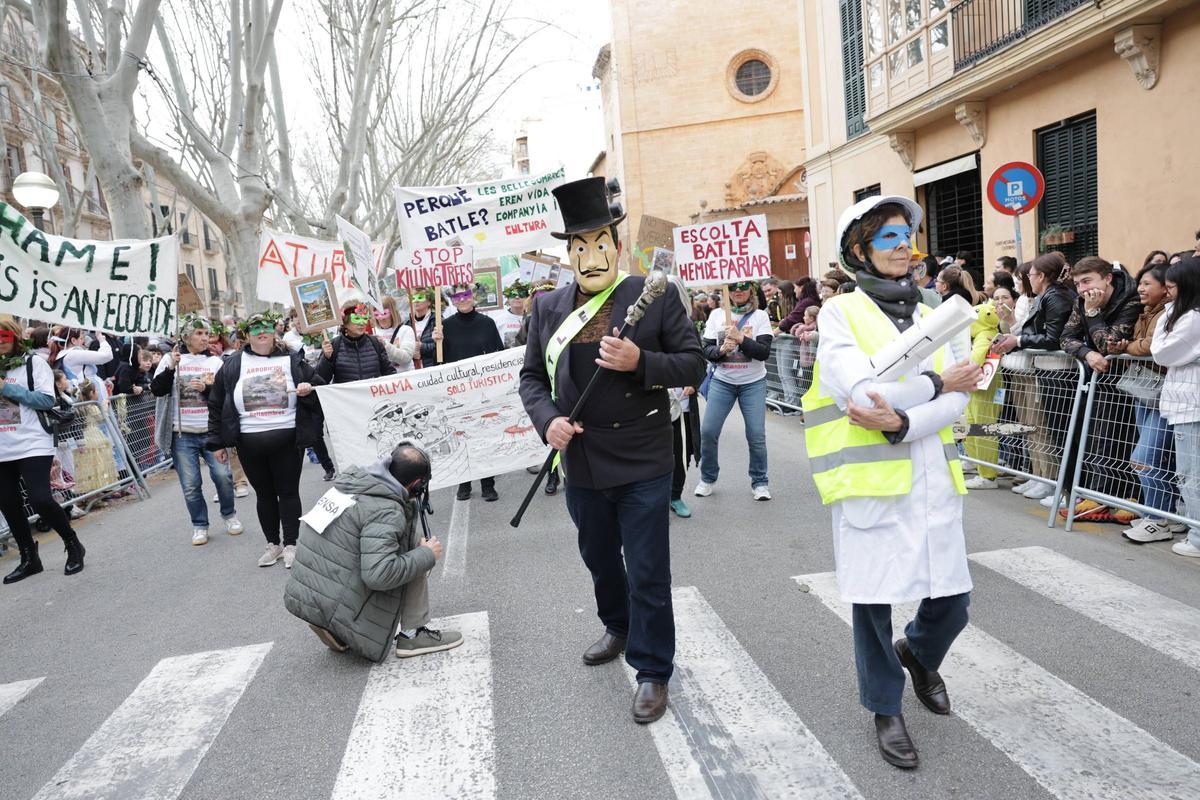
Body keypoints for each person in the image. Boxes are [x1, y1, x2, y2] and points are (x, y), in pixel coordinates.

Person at [802, 194, 982, 770]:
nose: (904, 245)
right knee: (872, 601)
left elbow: (961, 396)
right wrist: (931, 385)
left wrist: (904, 419)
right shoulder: (839, 313)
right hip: (872, 486)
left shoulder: (941, 310)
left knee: (953, 599)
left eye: (907, 235)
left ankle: (921, 655)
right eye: (888, 237)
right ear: (859, 250)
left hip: (932, 479)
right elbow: (859, 394)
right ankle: (886, 708)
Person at [519, 176, 706, 724]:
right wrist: (548, 421)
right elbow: (531, 378)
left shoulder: (654, 293)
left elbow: (694, 362)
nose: (590, 254)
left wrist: (641, 363)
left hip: (644, 457)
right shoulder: (547, 306)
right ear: (568, 253)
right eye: (578, 246)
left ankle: (653, 670)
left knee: (647, 567)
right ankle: (618, 626)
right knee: (599, 557)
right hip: (580, 462)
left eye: (599, 242)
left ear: (616, 245)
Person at [283, 442, 463, 660]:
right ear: (416, 484)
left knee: (389, 547)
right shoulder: (386, 510)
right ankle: (412, 633)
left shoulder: (353, 482)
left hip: (308, 591)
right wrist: (426, 555)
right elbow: (378, 575)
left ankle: (336, 625)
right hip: (331, 597)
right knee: (416, 547)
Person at [206, 311, 325, 569]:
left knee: (288, 492)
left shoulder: (292, 359)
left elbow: (320, 387)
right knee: (265, 495)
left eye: (267, 326)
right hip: (248, 443)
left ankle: (291, 544)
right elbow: (216, 404)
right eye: (256, 327)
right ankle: (273, 544)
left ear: (274, 330)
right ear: (247, 334)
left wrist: (307, 390)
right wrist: (216, 443)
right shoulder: (232, 364)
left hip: (287, 439)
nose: (262, 331)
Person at [1, 320, 86, 583]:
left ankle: (72, 543)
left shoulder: (32, 363)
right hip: (3, 446)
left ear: (14, 336)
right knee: (8, 503)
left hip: (32, 442)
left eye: (3, 336)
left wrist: (6, 388)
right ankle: (30, 558)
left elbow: (46, 400)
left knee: (40, 498)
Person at [1059, 257, 1143, 519]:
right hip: (1099, 378)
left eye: (1087, 281)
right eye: (1078, 284)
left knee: (1126, 440)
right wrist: (1087, 354)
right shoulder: (1081, 300)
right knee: (1098, 437)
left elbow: (1110, 343)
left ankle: (1127, 499)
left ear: (1107, 278)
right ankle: (1098, 496)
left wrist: (1093, 313)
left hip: (1132, 383)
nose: (1082, 289)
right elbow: (1066, 337)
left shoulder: (1131, 299)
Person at [152, 314, 244, 546]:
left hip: (211, 431)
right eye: (199, 334)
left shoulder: (215, 362)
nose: (205, 338)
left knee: (223, 477)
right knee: (191, 484)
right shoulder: (170, 359)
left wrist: (206, 388)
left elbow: (225, 397)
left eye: (206, 333)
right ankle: (199, 525)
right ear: (185, 337)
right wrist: (171, 367)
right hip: (181, 434)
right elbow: (157, 390)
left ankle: (229, 515)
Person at [990, 254, 1075, 501]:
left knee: (1055, 431)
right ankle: (1052, 483)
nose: (1028, 279)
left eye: (1031, 275)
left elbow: (1052, 337)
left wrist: (1017, 340)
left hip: (1059, 371)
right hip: (1046, 369)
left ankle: (1062, 488)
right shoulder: (1047, 296)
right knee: (1046, 429)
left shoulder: (1056, 296)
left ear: (1043, 276)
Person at [1113, 263, 1181, 543]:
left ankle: (1158, 519)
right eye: (1139, 283)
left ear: (1167, 288)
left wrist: (1127, 346)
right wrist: (1131, 343)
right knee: (1154, 460)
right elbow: (1137, 341)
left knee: (1144, 459)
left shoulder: (1169, 313)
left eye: (1147, 284)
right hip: (1145, 392)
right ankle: (1159, 513)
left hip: (1163, 392)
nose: (1140, 288)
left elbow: (1151, 347)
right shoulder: (1145, 312)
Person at [694, 281, 774, 500]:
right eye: (733, 287)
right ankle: (707, 478)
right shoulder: (716, 315)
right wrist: (721, 349)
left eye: (743, 286)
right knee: (708, 431)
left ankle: (760, 482)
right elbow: (706, 350)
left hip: (753, 383)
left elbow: (764, 352)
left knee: (756, 434)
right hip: (723, 381)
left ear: (751, 290)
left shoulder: (760, 317)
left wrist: (741, 340)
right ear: (726, 291)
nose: (738, 290)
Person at [434, 282, 504, 502]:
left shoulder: (488, 323)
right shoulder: (444, 327)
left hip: (483, 391)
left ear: (474, 297)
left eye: (466, 295)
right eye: (457, 296)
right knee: (461, 438)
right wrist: (436, 342)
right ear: (452, 300)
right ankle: (464, 483)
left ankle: (487, 484)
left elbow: (499, 356)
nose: (462, 299)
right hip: (457, 394)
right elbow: (439, 363)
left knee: (484, 436)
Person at [1152, 257, 1200, 558]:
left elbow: (1161, 352)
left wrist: (1167, 313)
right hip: (1187, 402)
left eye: (1172, 288)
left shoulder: (1191, 317)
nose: (1168, 294)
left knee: (1190, 473)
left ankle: (1197, 535)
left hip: (1190, 404)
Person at [962, 300, 1005, 489]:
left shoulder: (985, 336)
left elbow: (975, 359)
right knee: (975, 426)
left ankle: (988, 474)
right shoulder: (987, 334)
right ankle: (981, 467)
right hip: (983, 387)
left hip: (984, 389)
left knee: (982, 429)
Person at [317, 303, 397, 385]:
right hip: (346, 397)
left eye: (364, 318)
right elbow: (321, 380)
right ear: (345, 322)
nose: (362, 323)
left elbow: (389, 373)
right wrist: (326, 358)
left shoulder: (375, 343)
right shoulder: (333, 345)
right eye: (357, 318)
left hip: (373, 396)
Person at [490, 281, 529, 348]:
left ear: (527, 298)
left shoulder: (533, 319)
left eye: (521, 294)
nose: (517, 297)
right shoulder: (497, 321)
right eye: (513, 294)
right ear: (507, 299)